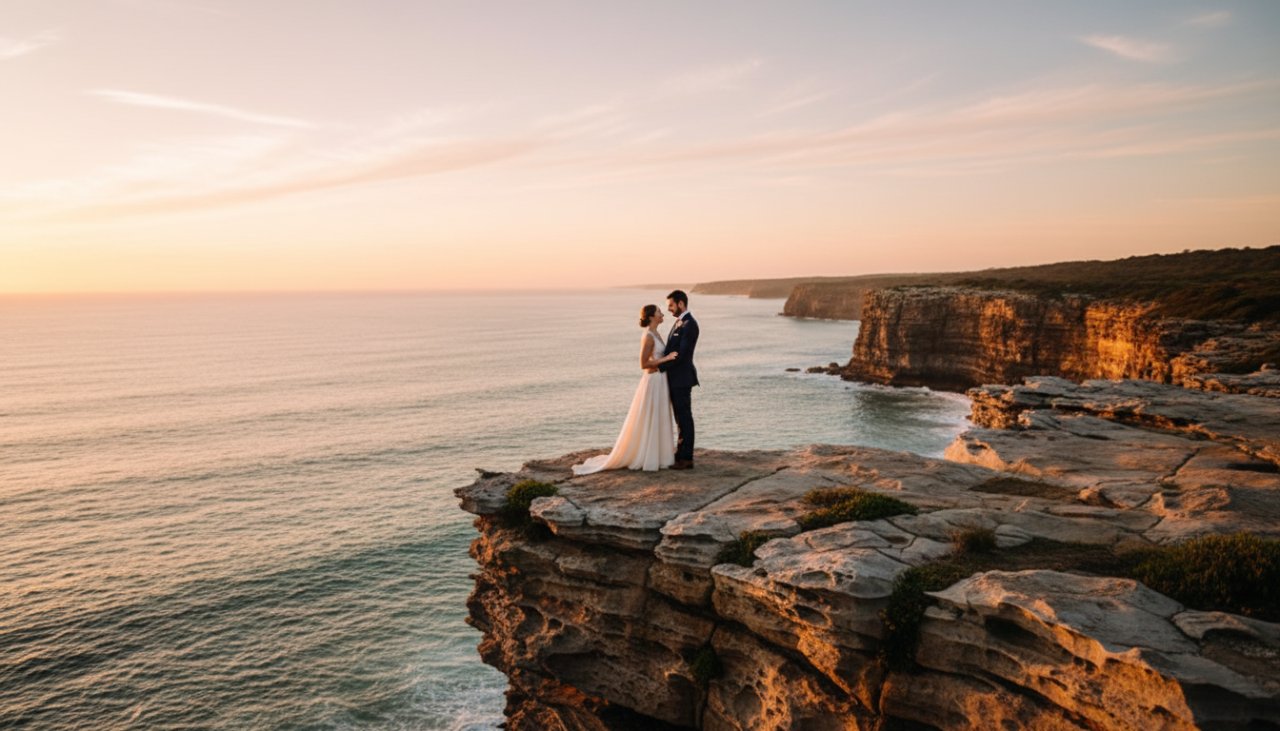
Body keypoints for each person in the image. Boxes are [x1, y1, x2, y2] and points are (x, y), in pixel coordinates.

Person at [572, 304, 679, 475]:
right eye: (659, 312)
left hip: (660, 380)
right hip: (653, 381)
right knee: (650, 416)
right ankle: (647, 455)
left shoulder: (656, 333)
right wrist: (665, 359)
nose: (662, 314)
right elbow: (643, 364)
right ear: (651, 316)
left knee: (659, 416)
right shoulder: (648, 336)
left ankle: (659, 455)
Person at [659, 290, 699, 470]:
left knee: (684, 418)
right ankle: (680, 453)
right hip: (675, 378)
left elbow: (681, 355)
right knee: (680, 418)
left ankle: (686, 458)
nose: (669, 309)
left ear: (681, 304)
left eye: (671, 305)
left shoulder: (689, 324)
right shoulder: (679, 322)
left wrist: (659, 367)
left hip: (682, 379)